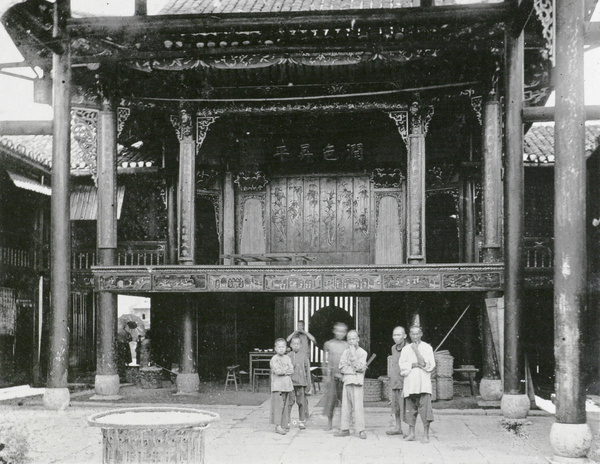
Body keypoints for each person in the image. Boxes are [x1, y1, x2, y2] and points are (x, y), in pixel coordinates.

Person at [399, 325, 436, 443]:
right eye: (412, 334)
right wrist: (415, 365)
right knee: (410, 409)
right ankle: (411, 433)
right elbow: (402, 366)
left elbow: (427, 365)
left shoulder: (427, 348)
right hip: (410, 383)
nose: (415, 336)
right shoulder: (405, 349)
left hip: (423, 384)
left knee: (425, 410)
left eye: (417, 334)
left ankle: (426, 435)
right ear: (409, 335)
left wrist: (416, 350)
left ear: (421, 334)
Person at [335, 330, 368, 439]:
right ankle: (344, 428)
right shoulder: (345, 352)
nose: (351, 341)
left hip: (357, 382)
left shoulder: (363, 353)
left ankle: (360, 430)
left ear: (358, 339)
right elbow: (342, 367)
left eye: (353, 338)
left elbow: (360, 367)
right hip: (347, 381)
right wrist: (355, 369)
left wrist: (353, 357)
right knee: (345, 406)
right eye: (349, 339)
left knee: (358, 407)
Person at [322, 322, 349, 431]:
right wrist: (326, 376)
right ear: (334, 331)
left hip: (343, 375)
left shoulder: (347, 345)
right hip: (332, 375)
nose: (340, 333)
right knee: (331, 400)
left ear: (346, 333)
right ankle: (329, 423)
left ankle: (344, 423)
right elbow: (325, 362)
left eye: (343, 331)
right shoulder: (328, 344)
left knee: (344, 400)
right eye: (338, 330)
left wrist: (345, 374)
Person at [386, 326, 409, 437]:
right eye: (394, 335)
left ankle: (409, 430)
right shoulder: (393, 348)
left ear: (404, 336)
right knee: (396, 406)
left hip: (405, 381)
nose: (396, 337)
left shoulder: (409, 348)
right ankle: (398, 428)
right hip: (395, 380)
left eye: (399, 335)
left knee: (407, 406)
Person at [269, 338, 294, 435]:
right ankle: (277, 426)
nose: (281, 349)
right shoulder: (274, 359)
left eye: (283, 347)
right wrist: (285, 370)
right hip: (278, 386)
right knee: (278, 406)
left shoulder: (287, 358)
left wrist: (285, 370)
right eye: (279, 347)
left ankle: (284, 424)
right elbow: (278, 371)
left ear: (286, 348)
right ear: (275, 348)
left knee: (285, 405)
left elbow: (292, 370)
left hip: (286, 385)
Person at [287, 336, 311, 429]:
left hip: (301, 383)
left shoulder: (304, 356)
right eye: (294, 344)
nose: (296, 346)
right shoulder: (288, 356)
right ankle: (287, 421)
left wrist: (308, 384)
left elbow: (307, 370)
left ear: (300, 345)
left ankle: (302, 421)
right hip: (291, 384)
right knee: (289, 402)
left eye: (298, 344)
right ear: (291, 345)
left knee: (302, 402)